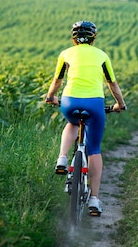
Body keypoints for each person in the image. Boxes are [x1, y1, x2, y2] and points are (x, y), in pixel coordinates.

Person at [44, 20, 126, 217]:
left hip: (69, 101)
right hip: (95, 103)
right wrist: (120, 104)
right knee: (94, 149)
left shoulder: (65, 54)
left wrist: (50, 97)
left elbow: (57, 80)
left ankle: (62, 159)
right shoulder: (102, 55)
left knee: (72, 122)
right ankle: (95, 199)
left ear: (73, 38)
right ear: (93, 38)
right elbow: (112, 85)